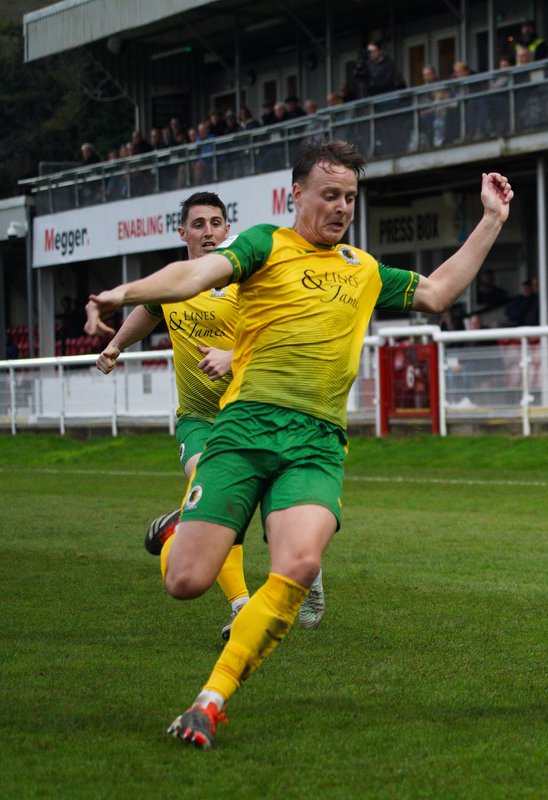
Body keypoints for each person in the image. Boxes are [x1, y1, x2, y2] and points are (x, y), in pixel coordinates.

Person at [86, 140, 514, 748]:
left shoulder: (364, 269)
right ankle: (186, 525)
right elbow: (192, 275)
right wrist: (122, 293)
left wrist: (491, 220)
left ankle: (210, 701)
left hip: (316, 440)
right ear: (297, 194)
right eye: (330, 195)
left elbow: (438, 292)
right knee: (186, 581)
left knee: (301, 564)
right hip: (243, 430)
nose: (341, 207)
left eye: (350, 198)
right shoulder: (263, 244)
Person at [85, 192, 326, 641]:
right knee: (210, 488)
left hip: (252, 411)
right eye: (199, 224)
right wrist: (116, 345)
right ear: (183, 232)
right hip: (197, 417)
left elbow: (282, 334)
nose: (209, 231)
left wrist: (233, 356)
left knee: (267, 508)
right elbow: (148, 311)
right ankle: (241, 604)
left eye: (216, 222)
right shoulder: (174, 284)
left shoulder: (241, 277)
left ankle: (300, 568)